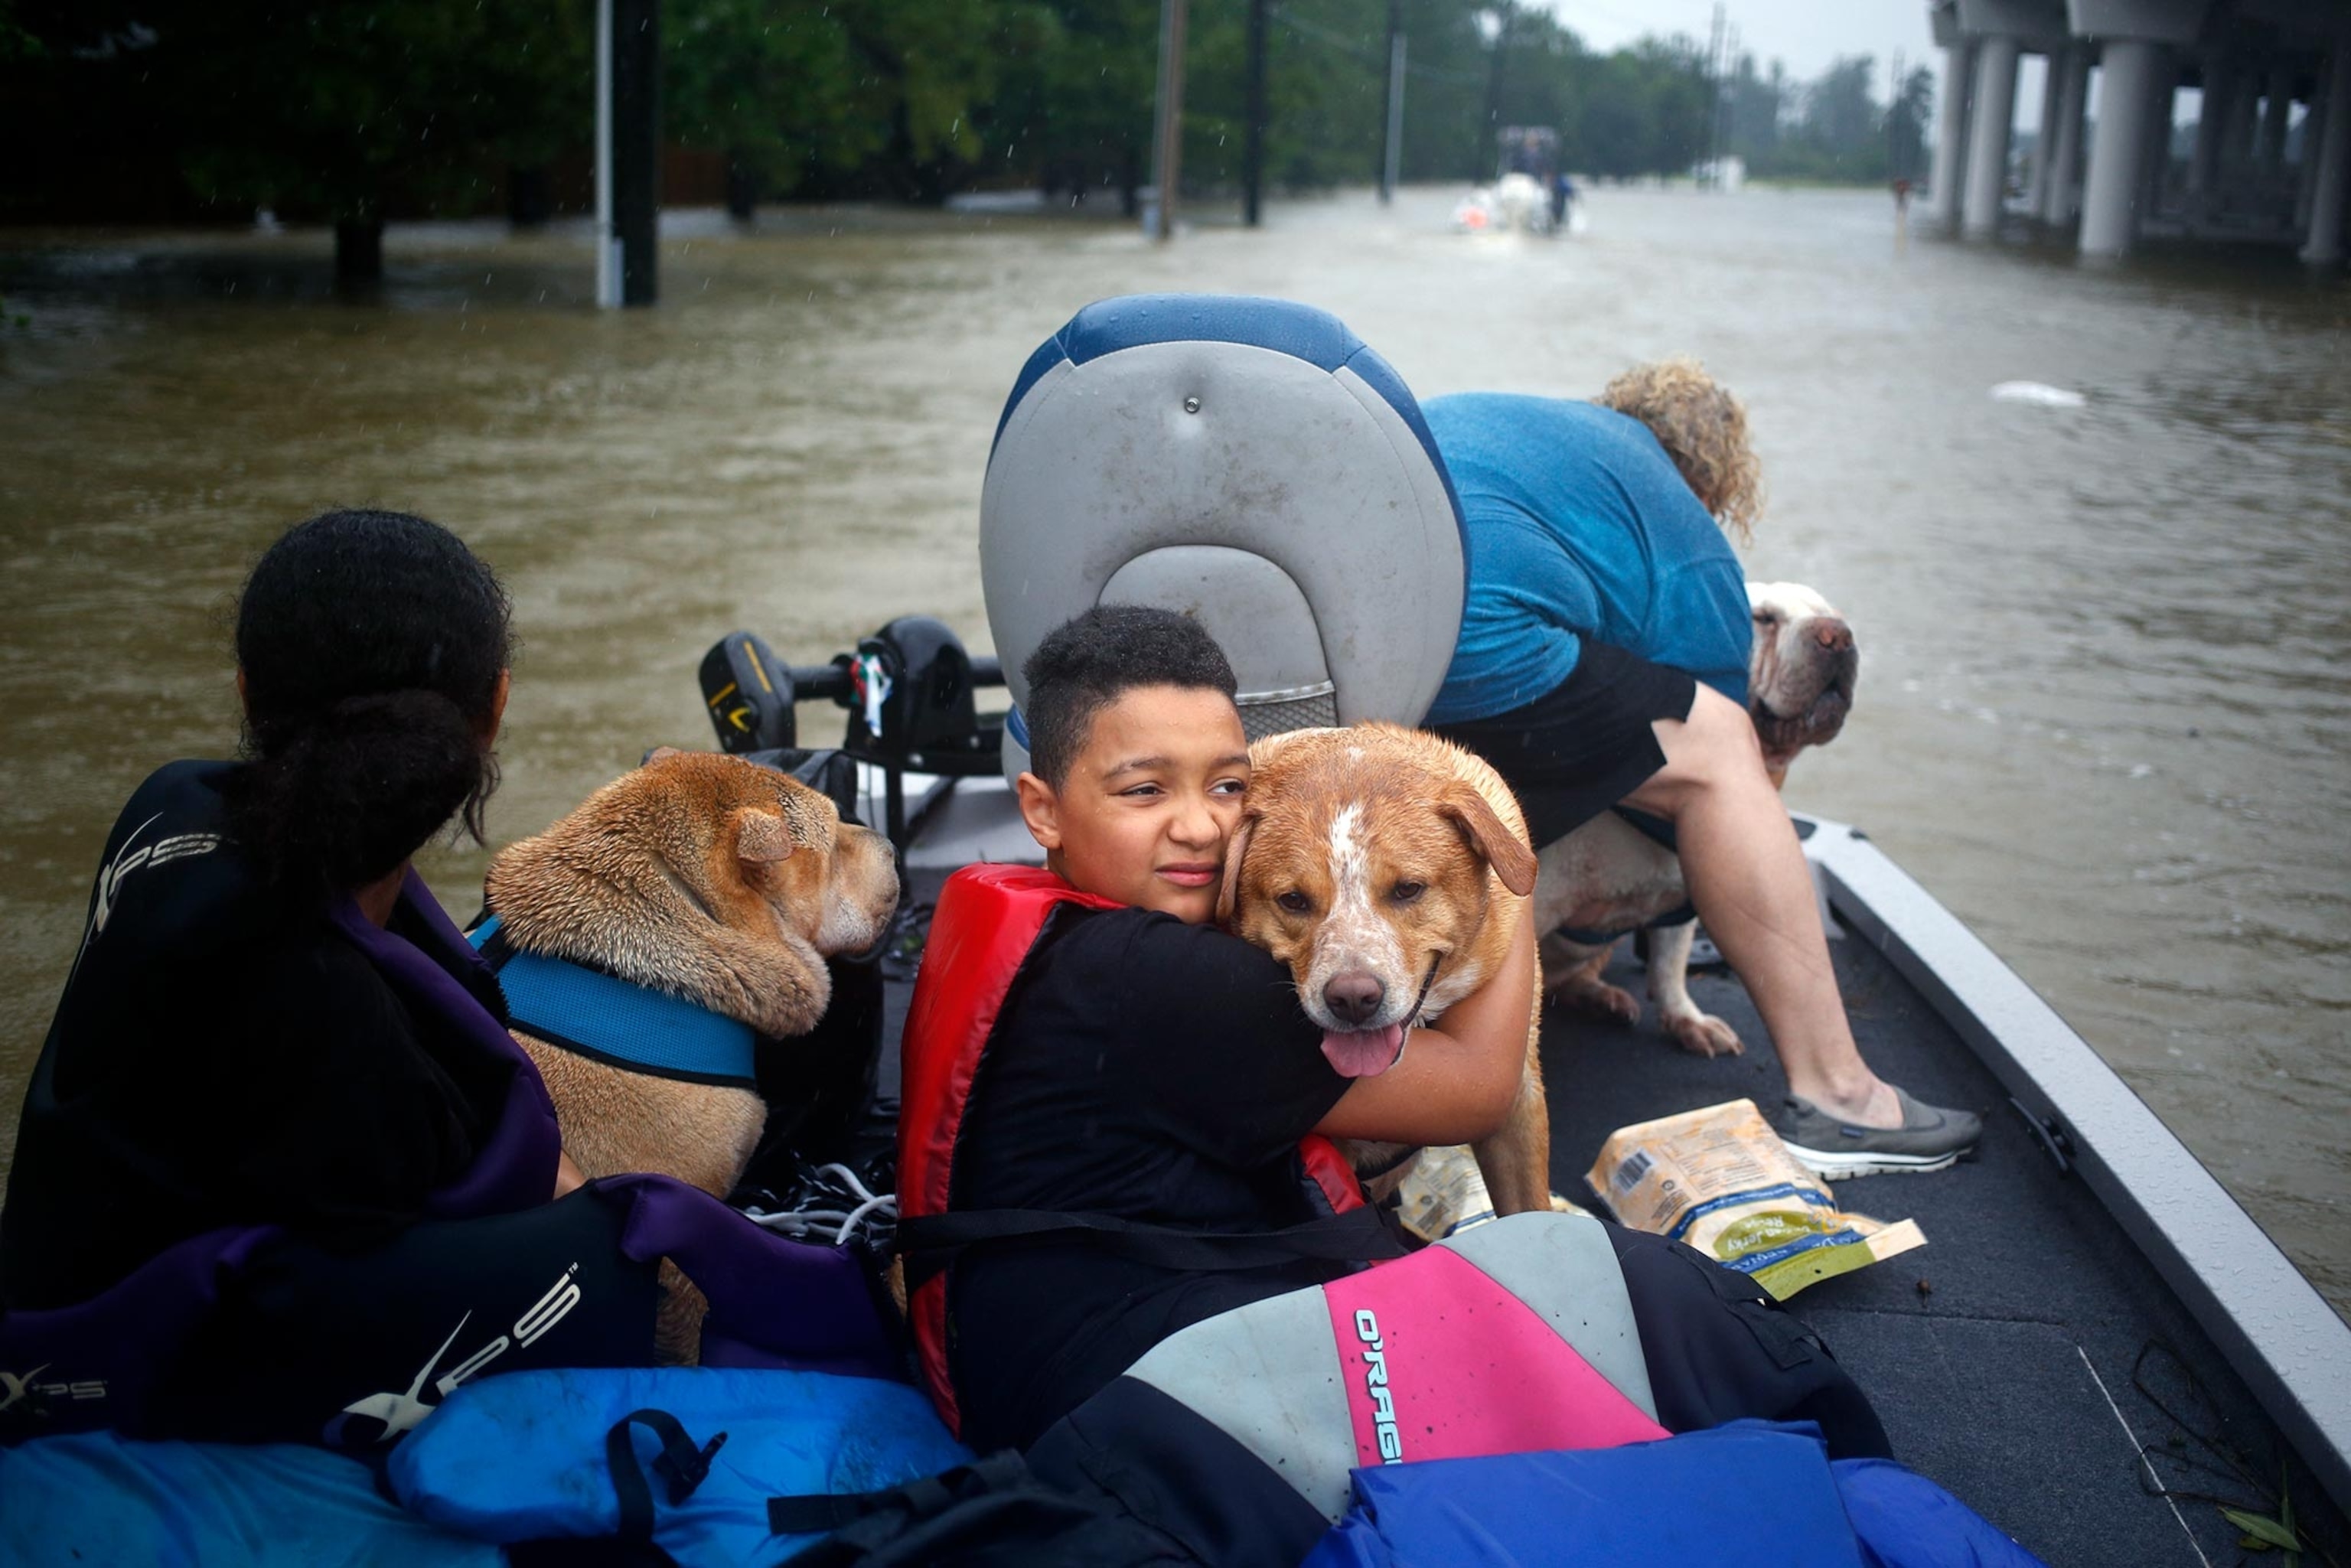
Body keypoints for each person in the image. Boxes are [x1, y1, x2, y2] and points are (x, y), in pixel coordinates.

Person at [905, 605, 1893, 1470]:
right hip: (1123, 1396)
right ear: (1041, 808)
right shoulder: (1169, 985)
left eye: (1223, 787)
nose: (1202, 830)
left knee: (1612, 1289)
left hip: (1043, 1340)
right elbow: (1477, 1092)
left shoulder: (1062, 930)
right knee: (1666, 1298)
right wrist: (1501, 862)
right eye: (1142, 790)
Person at [0, 510, 895, 1445]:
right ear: (495, 707)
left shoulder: (168, 805)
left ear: (246, 691)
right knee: (608, 1252)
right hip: (124, 1364)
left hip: (57, 1271)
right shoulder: (349, 1042)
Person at [1420, 363, 1981, 1172]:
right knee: (1717, 747)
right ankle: (1842, 1098)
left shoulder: (1536, 440)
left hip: (1362, 626)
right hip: (1481, 642)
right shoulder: (1681, 524)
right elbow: (1714, 755)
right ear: (1713, 481)